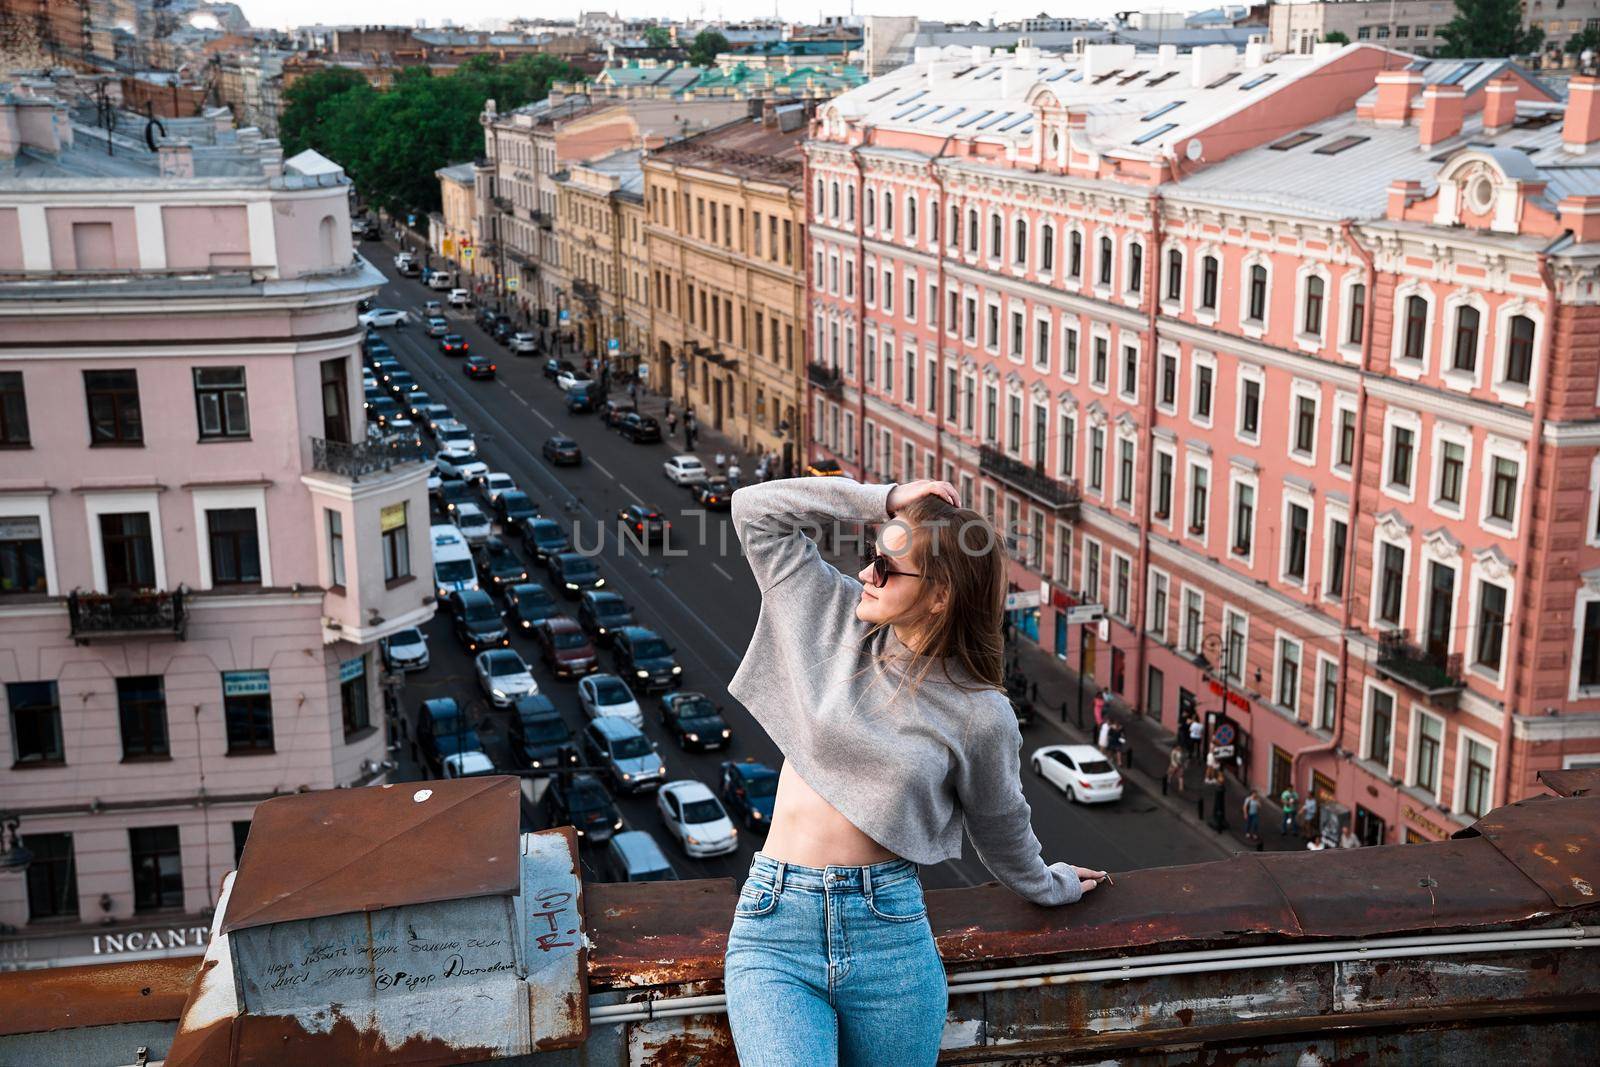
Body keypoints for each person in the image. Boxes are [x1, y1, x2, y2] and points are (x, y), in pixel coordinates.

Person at [723, 476, 1108, 1065]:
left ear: (940, 595)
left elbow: (1001, 826)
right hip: (776, 925)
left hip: (890, 936)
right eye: (872, 558)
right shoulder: (828, 613)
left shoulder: (981, 713)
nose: (868, 575)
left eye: (888, 567)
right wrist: (889, 498)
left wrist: (1050, 886)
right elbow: (754, 509)